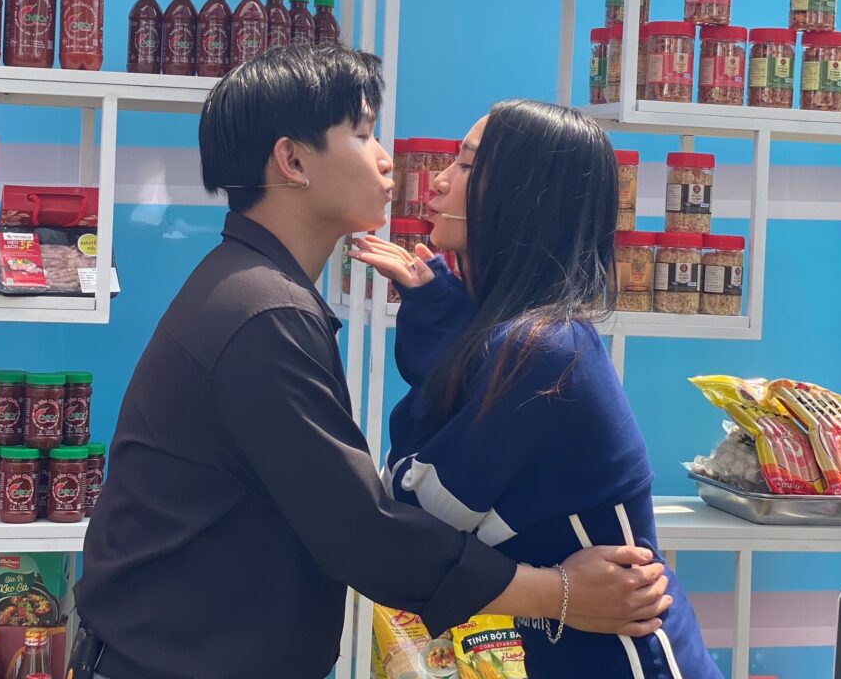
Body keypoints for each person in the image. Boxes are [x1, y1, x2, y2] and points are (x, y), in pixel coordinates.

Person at [72, 49, 671, 679]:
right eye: (361, 134)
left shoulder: (256, 291)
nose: (389, 160)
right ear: (293, 161)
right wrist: (561, 594)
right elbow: (367, 533)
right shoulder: (264, 311)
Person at [350, 98, 723, 679]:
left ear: (524, 197)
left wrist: (441, 319)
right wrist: (441, 312)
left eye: (467, 165)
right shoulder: (527, 341)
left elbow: (415, 510)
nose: (439, 181)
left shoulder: (544, 353)